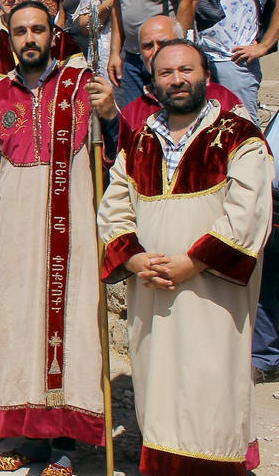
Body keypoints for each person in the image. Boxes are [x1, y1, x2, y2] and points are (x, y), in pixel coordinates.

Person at [98, 39, 270, 476]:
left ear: (206, 76)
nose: (177, 80)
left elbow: (248, 213)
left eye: (186, 70)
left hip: (212, 296)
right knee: (158, 388)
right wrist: (134, 259)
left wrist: (191, 263)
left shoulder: (239, 136)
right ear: (152, 84)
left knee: (211, 390)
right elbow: (114, 209)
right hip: (152, 294)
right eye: (166, 73)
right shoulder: (139, 141)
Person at [0, 1, 110, 473]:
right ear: (9, 38)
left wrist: (109, 114)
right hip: (18, 231)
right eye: (21, 31)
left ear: (53, 35)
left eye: (38, 30)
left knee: (70, 329)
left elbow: (115, 152)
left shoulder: (81, 87)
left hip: (74, 232)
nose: (30, 38)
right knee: (19, 329)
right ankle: (28, 436)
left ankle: (65, 443)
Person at [88, 15, 245, 153]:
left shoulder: (222, 97)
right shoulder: (134, 110)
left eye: (163, 43)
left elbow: (247, 146)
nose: (156, 51)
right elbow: (125, 156)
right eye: (148, 46)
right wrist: (110, 116)